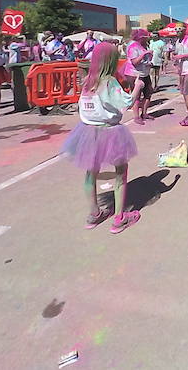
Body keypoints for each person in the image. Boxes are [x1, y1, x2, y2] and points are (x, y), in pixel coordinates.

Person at [60, 42, 141, 233]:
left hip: (88, 131)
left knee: (91, 172)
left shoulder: (88, 81)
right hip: (109, 131)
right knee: (121, 172)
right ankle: (119, 218)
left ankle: (94, 214)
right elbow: (126, 103)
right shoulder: (109, 82)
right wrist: (137, 86)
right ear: (111, 60)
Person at [123, 29, 154, 125]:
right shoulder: (133, 46)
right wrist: (144, 54)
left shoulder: (143, 45)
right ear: (141, 38)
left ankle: (144, 114)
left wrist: (149, 61)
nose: (147, 39)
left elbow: (145, 60)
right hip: (134, 74)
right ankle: (136, 116)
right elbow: (135, 62)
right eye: (145, 37)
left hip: (145, 73)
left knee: (148, 93)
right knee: (136, 96)